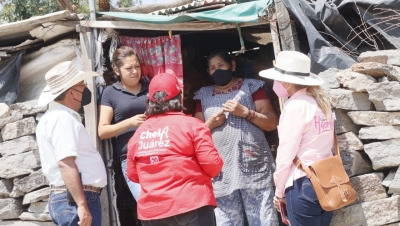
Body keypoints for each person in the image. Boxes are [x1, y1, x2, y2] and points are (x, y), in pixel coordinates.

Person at [126, 70, 224, 226]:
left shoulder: (138, 134)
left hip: (153, 214)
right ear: (179, 97)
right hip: (192, 205)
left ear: (150, 101)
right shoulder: (193, 126)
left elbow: (133, 175)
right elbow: (213, 166)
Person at [193, 50, 279, 226]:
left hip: (253, 165)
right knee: (227, 222)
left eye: (221, 65)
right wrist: (210, 124)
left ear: (232, 65)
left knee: (263, 220)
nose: (217, 71)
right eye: (212, 68)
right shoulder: (203, 95)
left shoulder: (252, 87)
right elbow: (194, 135)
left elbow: (271, 123)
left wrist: (246, 113)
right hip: (220, 169)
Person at [259, 51, 334, 226]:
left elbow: (286, 154)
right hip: (326, 180)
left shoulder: (294, 106)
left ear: (287, 81)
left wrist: (279, 192)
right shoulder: (322, 104)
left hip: (303, 184)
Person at [36, 61, 107, 226]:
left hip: (72, 198)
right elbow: (66, 162)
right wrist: (81, 204)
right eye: (82, 85)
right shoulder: (62, 119)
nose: (85, 89)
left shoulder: (55, 117)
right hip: (74, 200)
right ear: (72, 93)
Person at [98, 46, 147, 224]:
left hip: (158, 154)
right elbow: (102, 131)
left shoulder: (150, 87)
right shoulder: (110, 93)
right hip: (130, 159)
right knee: (146, 203)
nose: (135, 71)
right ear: (117, 70)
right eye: (129, 68)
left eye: (138, 66)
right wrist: (130, 122)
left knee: (165, 204)